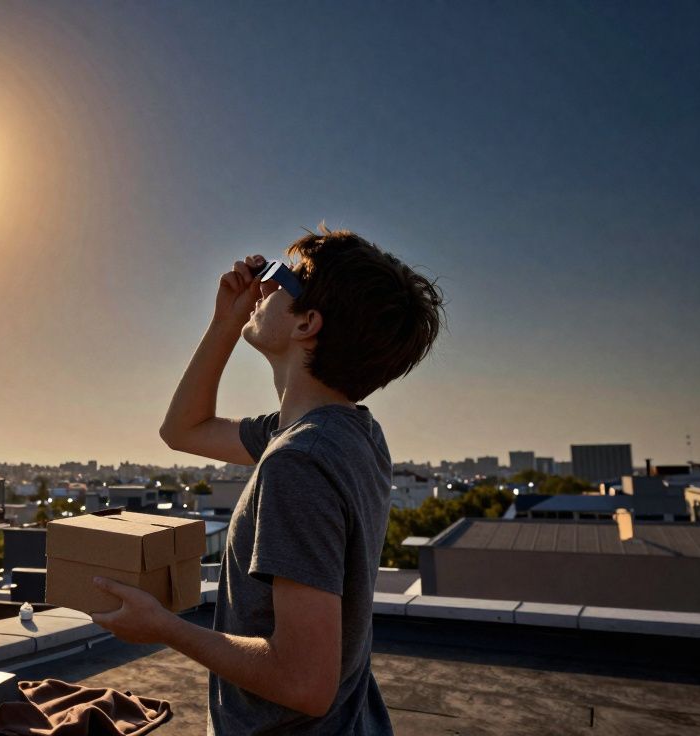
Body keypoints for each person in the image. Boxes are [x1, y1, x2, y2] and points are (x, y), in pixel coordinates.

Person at [88, 229, 444, 735]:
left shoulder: (300, 460)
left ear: (307, 323)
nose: (263, 286)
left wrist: (162, 627)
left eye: (281, 279)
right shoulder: (347, 433)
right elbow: (182, 430)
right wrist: (225, 323)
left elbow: (304, 684)